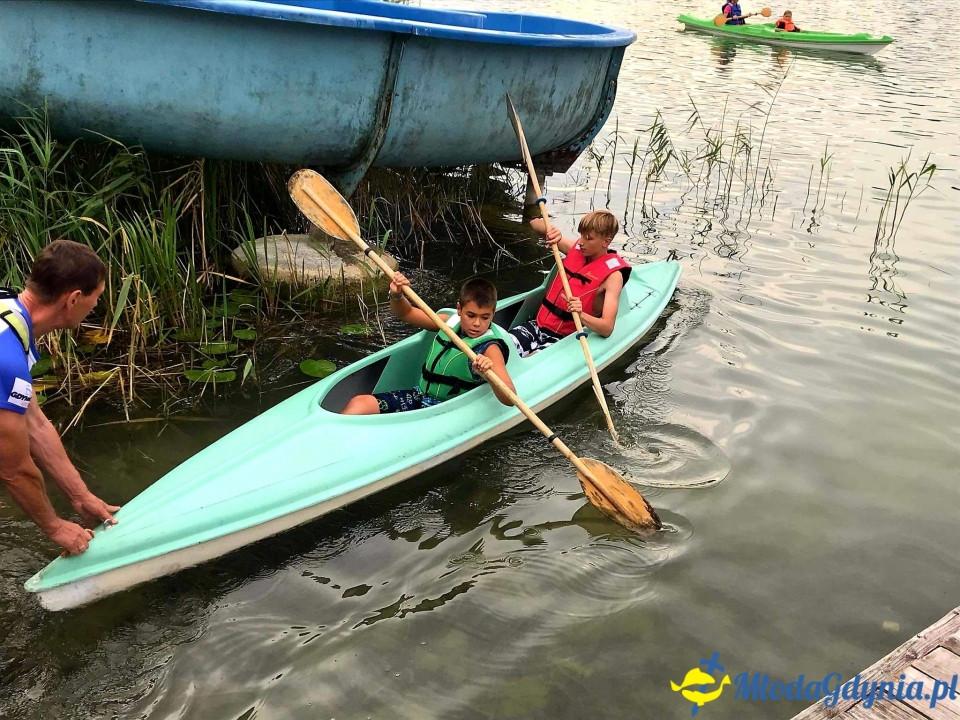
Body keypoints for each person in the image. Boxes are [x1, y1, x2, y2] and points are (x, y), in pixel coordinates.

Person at [0, 239, 119, 556]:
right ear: (74, 299)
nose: (95, 306)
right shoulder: (6, 359)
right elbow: (13, 469)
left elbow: (35, 423)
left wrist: (80, 496)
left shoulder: (8, 313)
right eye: (96, 298)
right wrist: (54, 526)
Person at [341, 275, 515, 414]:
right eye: (471, 315)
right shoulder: (448, 321)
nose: (477, 323)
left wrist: (489, 374)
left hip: (447, 410)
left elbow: (510, 398)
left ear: (493, 314)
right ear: (459, 309)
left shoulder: (490, 348)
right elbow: (407, 313)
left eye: (485, 317)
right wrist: (397, 294)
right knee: (359, 403)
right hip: (419, 395)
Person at [508, 209, 631, 358]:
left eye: (589, 238)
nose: (582, 242)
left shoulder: (613, 277)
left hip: (563, 339)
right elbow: (534, 223)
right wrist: (552, 231)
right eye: (581, 236)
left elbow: (607, 328)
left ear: (606, 242)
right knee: (500, 347)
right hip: (536, 325)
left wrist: (580, 315)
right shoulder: (576, 249)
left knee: (528, 361)